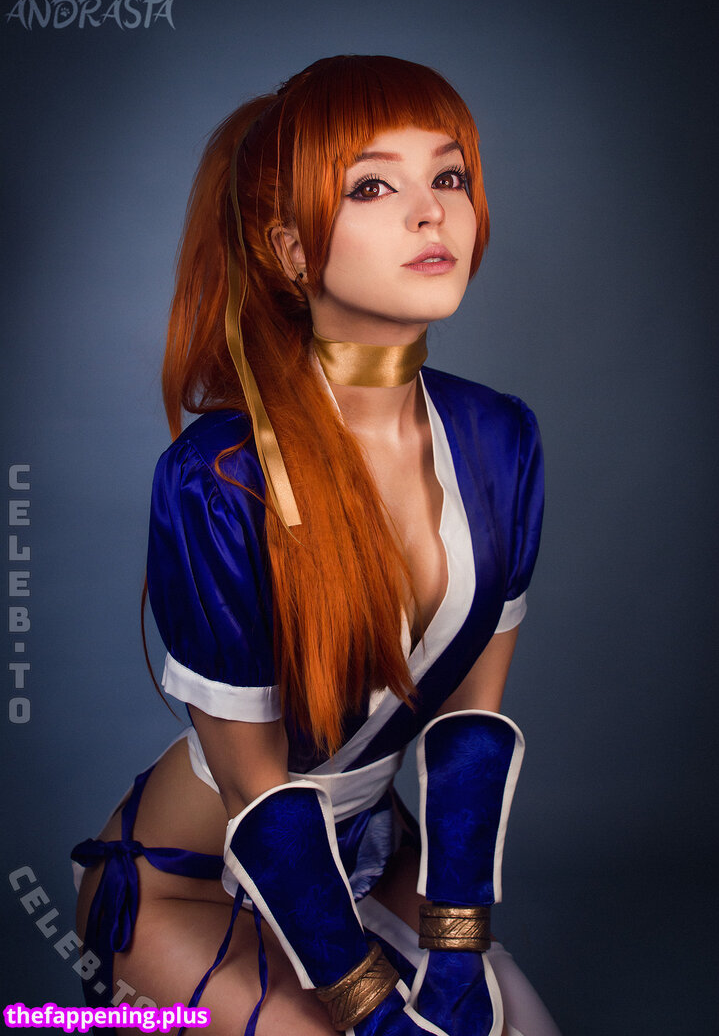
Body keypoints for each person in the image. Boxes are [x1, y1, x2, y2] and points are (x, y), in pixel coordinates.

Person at [72, 55, 560, 1036]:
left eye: (449, 175)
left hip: (374, 854)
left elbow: (469, 725)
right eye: (374, 187)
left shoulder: (501, 437)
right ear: (293, 251)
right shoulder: (219, 481)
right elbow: (256, 786)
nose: (432, 212)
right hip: (189, 882)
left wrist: (457, 950)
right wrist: (374, 1010)